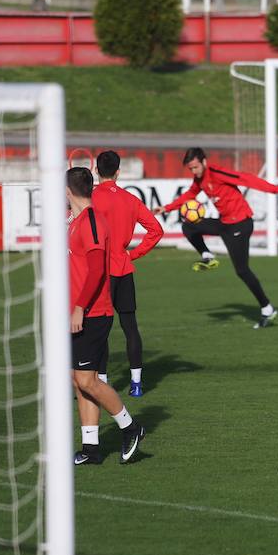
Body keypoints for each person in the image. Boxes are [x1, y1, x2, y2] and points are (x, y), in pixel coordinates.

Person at [153, 148, 278, 329]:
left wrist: (277, 189)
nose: (194, 172)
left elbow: (246, 179)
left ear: (204, 162)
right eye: (191, 169)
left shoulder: (218, 173)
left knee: (242, 271)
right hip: (225, 224)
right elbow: (190, 194)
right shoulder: (199, 178)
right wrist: (167, 208)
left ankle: (267, 308)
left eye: (195, 167)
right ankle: (207, 256)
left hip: (240, 225)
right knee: (188, 226)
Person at [67, 167, 145, 465]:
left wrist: (79, 308)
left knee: (87, 381)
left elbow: (99, 269)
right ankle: (91, 449)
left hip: (92, 313)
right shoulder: (75, 221)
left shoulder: (91, 221)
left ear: (68, 190)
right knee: (79, 380)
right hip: (79, 312)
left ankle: (131, 427)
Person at [92, 150, 164, 397]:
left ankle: (101, 381)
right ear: (119, 172)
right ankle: (136, 383)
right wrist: (132, 254)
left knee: (100, 328)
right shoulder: (130, 199)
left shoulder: (89, 198)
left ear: (95, 170)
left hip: (100, 270)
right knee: (130, 326)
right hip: (123, 267)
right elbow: (156, 230)